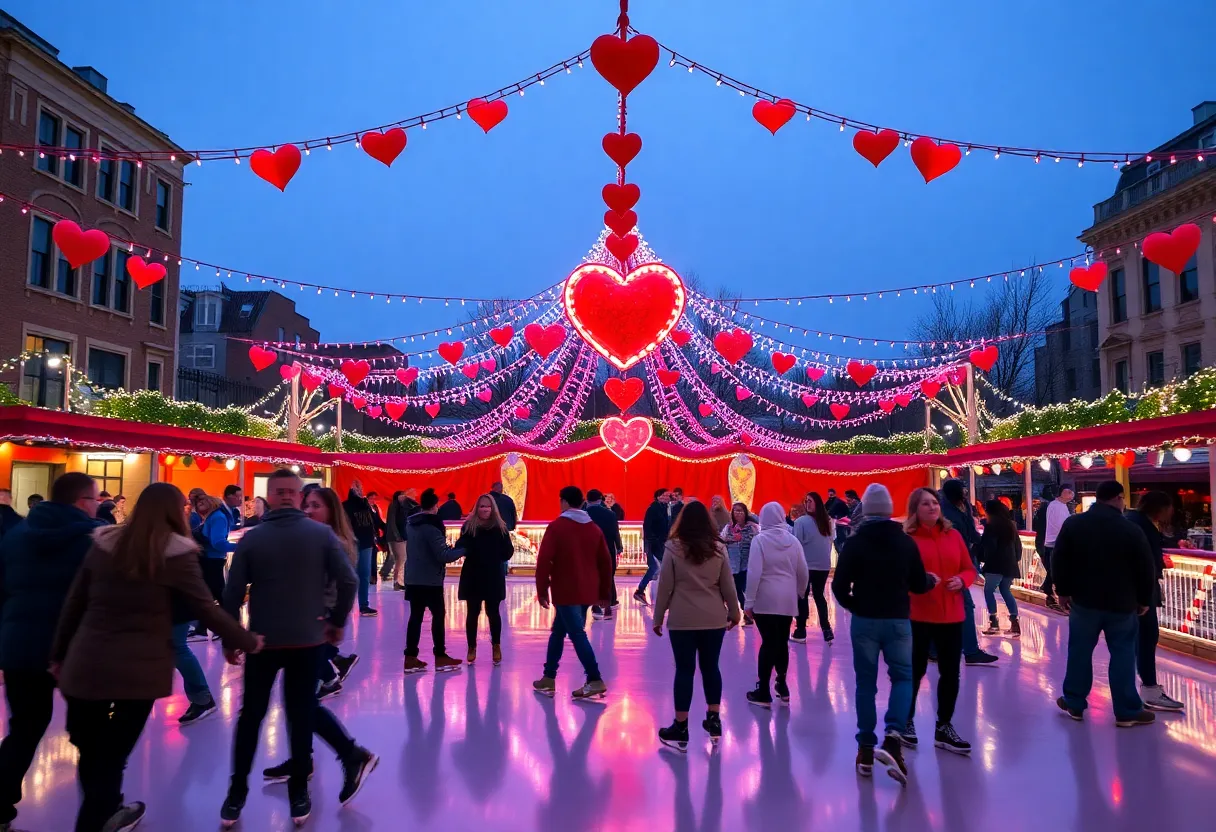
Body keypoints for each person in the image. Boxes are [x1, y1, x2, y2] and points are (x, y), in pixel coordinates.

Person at [51, 482, 262, 832]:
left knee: (92, 751)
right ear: (172, 511)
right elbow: (204, 608)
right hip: (136, 670)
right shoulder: (176, 553)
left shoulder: (103, 544)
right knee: (112, 755)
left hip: (86, 663)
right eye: (182, 507)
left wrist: (59, 654)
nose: (186, 512)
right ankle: (97, 819)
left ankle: (103, 812)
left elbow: (75, 603)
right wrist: (247, 640)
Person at [220, 468, 370, 827]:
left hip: (263, 641)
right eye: (283, 491)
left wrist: (233, 636)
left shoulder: (253, 539)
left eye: (289, 491)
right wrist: (335, 621)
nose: (286, 497)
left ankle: (237, 793)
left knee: (253, 716)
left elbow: (231, 592)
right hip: (305, 640)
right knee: (299, 715)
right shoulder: (319, 535)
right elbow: (349, 580)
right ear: (278, 496)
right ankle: (298, 793)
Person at [0, 473, 102, 831]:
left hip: (19, 645)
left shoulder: (15, 537)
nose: (98, 505)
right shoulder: (93, 539)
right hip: (75, 647)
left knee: (24, 727)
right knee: (91, 733)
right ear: (80, 502)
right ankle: (102, 809)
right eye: (95, 499)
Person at [260, 485, 375, 791]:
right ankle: (306, 759)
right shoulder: (313, 539)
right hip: (304, 629)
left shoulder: (329, 542)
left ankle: (351, 755)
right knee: (298, 700)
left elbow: (340, 586)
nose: (308, 510)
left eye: (316, 506)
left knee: (300, 702)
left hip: (316, 631)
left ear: (330, 511)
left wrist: (333, 623)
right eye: (306, 505)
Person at [832, 483, 937, 787]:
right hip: (897, 620)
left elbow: (839, 587)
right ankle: (893, 735)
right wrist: (930, 580)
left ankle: (865, 749)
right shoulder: (905, 543)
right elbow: (918, 585)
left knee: (865, 683)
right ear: (890, 509)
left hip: (865, 621)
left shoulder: (855, 543)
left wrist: (856, 606)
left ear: (864, 509)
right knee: (903, 677)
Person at [1053, 480, 1156, 728]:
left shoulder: (1074, 524)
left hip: (1084, 601)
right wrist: (1144, 599)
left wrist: (1064, 591)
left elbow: (1059, 558)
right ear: (1118, 498)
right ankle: (1126, 710)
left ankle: (1074, 703)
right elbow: (1145, 567)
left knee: (1079, 651)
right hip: (1122, 603)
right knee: (1122, 654)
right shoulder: (1130, 529)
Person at [651, 500, 741, 750]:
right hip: (713, 619)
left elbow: (666, 586)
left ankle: (680, 727)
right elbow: (728, 586)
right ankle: (713, 719)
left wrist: (658, 618)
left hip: (682, 620)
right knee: (711, 667)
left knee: (684, 671)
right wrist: (734, 613)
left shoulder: (673, 548)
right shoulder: (718, 548)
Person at [901, 488, 976, 755]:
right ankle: (905, 720)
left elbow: (969, 567)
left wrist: (963, 580)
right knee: (914, 670)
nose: (932, 507)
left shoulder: (953, 535)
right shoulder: (907, 540)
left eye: (935, 503)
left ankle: (944, 726)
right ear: (915, 509)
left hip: (951, 614)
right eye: (925, 504)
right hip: (917, 615)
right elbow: (898, 576)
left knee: (950, 673)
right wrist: (918, 581)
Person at [533, 486, 614, 700]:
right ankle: (548, 677)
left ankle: (594, 678)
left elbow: (544, 561)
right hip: (587, 590)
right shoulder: (593, 529)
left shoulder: (557, 527)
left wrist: (542, 589)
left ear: (564, 502)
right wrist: (604, 592)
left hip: (565, 590)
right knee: (558, 631)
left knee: (577, 633)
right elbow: (606, 563)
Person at [744, 502, 809, 708]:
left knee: (768, 643)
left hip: (765, 599)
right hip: (787, 599)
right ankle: (782, 683)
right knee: (781, 642)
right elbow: (803, 572)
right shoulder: (793, 541)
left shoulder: (760, 541)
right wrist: (798, 593)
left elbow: (754, 573)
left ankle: (763, 690)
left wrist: (749, 601)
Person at [1126, 491, 1185, 712]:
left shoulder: (1132, 521)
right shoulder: (1143, 527)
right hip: (1141, 590)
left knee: (1135, 638)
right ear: (1162, 508)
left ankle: (1139, 688)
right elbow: (1146, 562)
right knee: (1147, 635)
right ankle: (1148, 688)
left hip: (1130, 590)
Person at [403, 488, 465, 673]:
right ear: (436, 506)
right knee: (438, 617)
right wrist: (464, 549)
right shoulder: (432, 527)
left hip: (413, 578)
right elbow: (443, 555)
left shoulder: (411, 524)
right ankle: (440, 656)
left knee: (415, 618)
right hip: (430, 580)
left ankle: (410, 657)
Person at [938, 479, 999, 667]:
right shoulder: (951, 514)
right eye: (963, 491)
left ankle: (935, 648)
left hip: (955, 565)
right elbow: (964, 538)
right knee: (963, 606)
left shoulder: (958, 509)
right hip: (951, 565)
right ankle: (970, 651)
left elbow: (970, 535)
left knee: (951, 605)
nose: (965, 493)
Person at [456, 494, 514, 665]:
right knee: (472, 612)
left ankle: (496, 645)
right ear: (477, 508)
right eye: (481, 506)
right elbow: (461, 546)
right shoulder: (469, 526)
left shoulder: (500, 528)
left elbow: (508, 551)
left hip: (492, 575)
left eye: (487, 506)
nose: (484, 509)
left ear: (493, 508)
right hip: (473, 574)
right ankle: (471, 647)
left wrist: (496, 557)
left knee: (493, 612)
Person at [792, 491, 835, 644]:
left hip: (807, 565)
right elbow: (830, 540)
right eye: (806, 501)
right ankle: (826, 628)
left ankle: (801, 630)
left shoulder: (801, 522)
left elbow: (796, 545)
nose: (807, 503)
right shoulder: (827, 522)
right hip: (822, 566)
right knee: (818, 595)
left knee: (802, 596)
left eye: (809, 501)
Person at [191, 494, 235, 640]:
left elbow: (218, 543)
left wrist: (241, 546)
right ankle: (204, 629)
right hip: (210, 560)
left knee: (216, 596)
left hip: (212, 561)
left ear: (212, 502)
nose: (200, 503)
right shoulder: (212, 517)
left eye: (203, 500)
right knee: (210, 595)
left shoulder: (217, 517)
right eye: (198, 501)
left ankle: (226, 629)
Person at [977, 498, 1022, 638]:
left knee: (988, 591)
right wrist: (1015, 560)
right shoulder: (1011, 525)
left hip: (995, 565)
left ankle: (994, 622)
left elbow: (988, 547)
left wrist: (981, 557)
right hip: (1010, 565)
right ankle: (1015, 623)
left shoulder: (991, 527)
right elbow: (1018, 547)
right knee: (1005, 590)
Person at [343, 480, 379, 617]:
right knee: (350, 574)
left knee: (364, 575)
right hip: (352, 543)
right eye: (357, 488)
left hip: (366, 543)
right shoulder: (345, 506)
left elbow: (373, 522)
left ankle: (364, 605)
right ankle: (346, 605)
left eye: (361, 487)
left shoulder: (365, 504)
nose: (360, 490)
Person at [585, 489, 622, 620]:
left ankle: (595, 605)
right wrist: (619, 547)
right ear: (600, 499)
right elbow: (615, 533)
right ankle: (608, 606)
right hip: (607, 549)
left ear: (587, 499)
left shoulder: (583, 514)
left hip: (589, 550)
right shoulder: (610, 514)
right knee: (607, 576)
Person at [721, 502, 759, 626]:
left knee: (746, 589)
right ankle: (743, 611)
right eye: (735, 511)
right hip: (732, 564)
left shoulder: (753, 527)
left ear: (745, 513)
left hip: (747, 564)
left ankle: (750, 612)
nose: (737, 513)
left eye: (740, 511)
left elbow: (758, 543)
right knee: (735, 589)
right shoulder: (728, 527)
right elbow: (721, 541)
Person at [1043, 486, 1075, 613]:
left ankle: (1050, 592)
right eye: (1068, 492)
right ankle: (1051, 593)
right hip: (1055, 541)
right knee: (1056, 569)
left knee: (1054, 569)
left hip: (1056, 541)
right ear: (1060, 493)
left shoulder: (1061, 506)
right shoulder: (1056, 506)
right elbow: (1060, 525)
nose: (1071, 495)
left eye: (1071, 492)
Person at [636, 488, 670, 605]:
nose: (667, 498)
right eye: (665, 495)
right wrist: (652, 541)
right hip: (653, 544)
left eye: (668, 496)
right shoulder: (653, 509)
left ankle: (643, 591)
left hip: (659, 543)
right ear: (658, 496)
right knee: (655, 567)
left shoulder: (664, 508)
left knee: (658, 568)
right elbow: (648, 526)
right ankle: (640, 590)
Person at [382, 490, 407, 587]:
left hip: (399, 537)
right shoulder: (394, 505)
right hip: (396, 538)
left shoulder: (401, 506)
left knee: (400, 559)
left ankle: (399, 581)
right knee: (401, 559)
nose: (404, 497)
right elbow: (392, 522)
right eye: (402, 495)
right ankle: (397, 581)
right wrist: (397, 536)